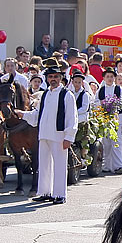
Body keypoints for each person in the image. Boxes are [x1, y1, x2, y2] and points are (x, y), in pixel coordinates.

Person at [15, 67, 77, 204]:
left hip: (59, 135)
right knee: (44, 165)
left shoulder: (66, 95)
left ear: (60, 78)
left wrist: (69, 137)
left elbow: (72, 118)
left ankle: (60, 194)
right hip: (44, 135)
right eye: (50, 77)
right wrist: (23, 114)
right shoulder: (44, 95)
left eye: (56, 76)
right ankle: (45, 192)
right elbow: (37, 115)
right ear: (47, 79)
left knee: (59, 165)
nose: (53, 79)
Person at [97, 67, 122, 175]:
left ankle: (119, 165)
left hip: (117, 119)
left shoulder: (119, 90)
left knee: (117, 142)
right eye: (108, 77)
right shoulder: (100, 90)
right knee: (106, 143)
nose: (110, 79)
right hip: (105, 119)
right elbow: (95, 104)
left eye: (112, 76)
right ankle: (107, 165)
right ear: (104, 78)